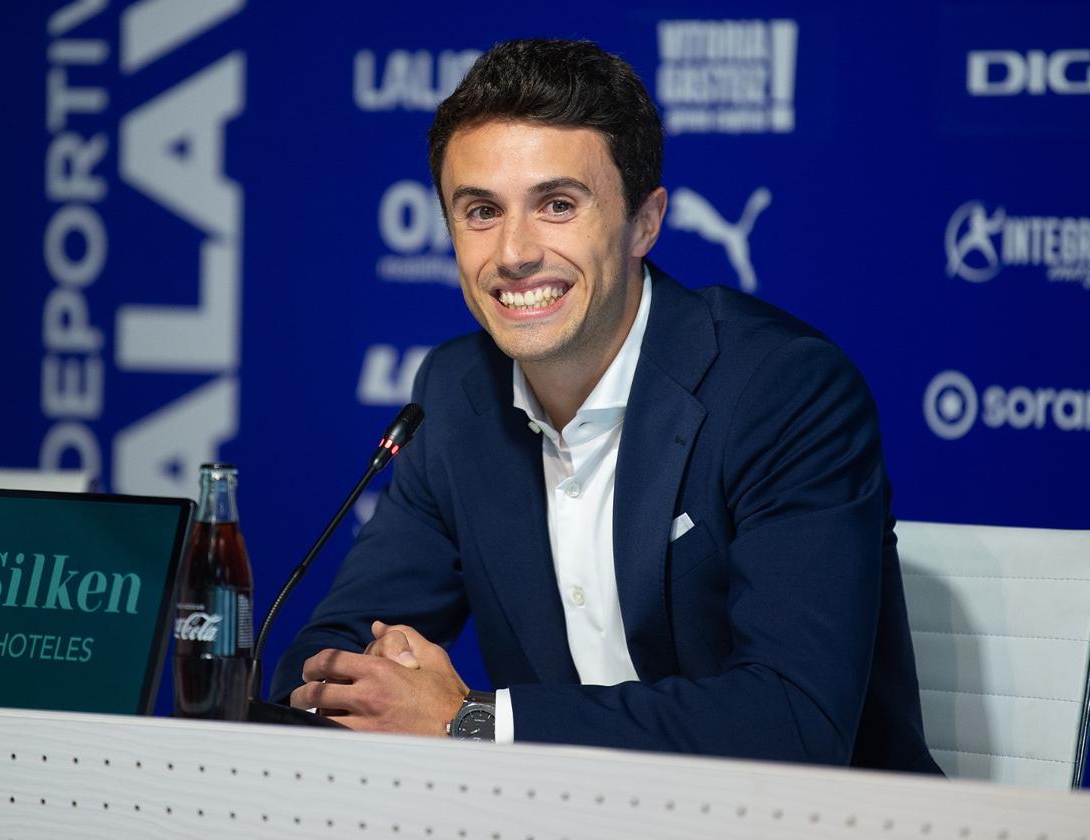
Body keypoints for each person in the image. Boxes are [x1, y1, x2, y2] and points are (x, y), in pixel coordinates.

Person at [273, 39, 940, 773]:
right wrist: (372, 679)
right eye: (481, 211)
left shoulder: (783, 390)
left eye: (557, 205)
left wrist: (471, 722)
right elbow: (321, 655)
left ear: (644, 223)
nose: (514, 253)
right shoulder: (457, 395)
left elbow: (792, 722)